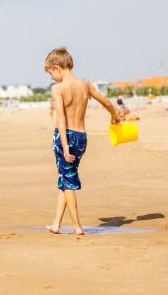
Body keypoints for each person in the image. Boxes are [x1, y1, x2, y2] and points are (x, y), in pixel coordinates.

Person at [43, 47, 120, 235]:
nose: (52, 78)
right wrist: (114, 116)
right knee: (65, 177)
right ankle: (56, 224)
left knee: (68, 181)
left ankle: (77, 226)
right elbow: (107, 103)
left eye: (51, 73)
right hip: (82, 137)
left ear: (57, 67)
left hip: (65, 137)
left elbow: (61, 118)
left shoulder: (58, 88)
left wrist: (64, 145)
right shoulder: (85, 85)